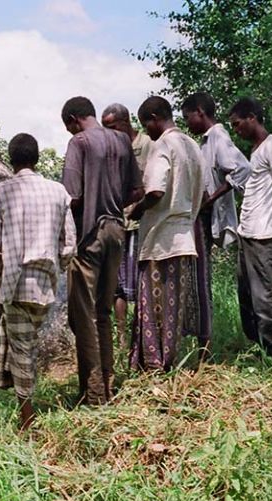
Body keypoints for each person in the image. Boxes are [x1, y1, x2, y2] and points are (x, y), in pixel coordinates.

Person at [0, 133, 75, 429]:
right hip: (45, 284)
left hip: (15, 283)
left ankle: (27, 418)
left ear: (11, 160)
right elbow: (69, 244)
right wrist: (58, 267)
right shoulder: (58, 191)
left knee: (22, 348)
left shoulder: (0, 192)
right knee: (25, 342)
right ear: (36, 158)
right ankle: (21, 396)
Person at [61, 96, 143, 405]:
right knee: (103, 312)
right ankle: (108, 384)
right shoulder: (122, 140)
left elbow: (73, 196)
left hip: (90, 235)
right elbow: (137, 190)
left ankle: (93, 394)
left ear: (73, 120)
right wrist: (113, 201)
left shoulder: (79, 143)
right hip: (117, 231)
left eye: (69, 127)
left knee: (83, 315)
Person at [129, 96, 208, 371]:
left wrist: (137, 210)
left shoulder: (162, 145)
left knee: (154, 307)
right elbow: (202, 193)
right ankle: (169, 361)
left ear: (154, 118)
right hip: (185, 239)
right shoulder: (192, 145)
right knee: (173, 309)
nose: (146, 131)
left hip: (160, 240)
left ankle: (154, 366)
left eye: (145, 125)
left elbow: (155, 190)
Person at [181, 92, 252, 359]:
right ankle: (202, 346)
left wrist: (211, 198)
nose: (187, 123)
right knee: (196, 277)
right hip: (200, 215)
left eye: (188, 117)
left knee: (201, 279)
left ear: (200, 112)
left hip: (207, 216)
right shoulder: (205, 141)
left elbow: (242, 169)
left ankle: (205, 349)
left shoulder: (218, 137)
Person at [228, 98, 272, 364]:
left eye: (238, 124)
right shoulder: (256, 151)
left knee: (267, 295)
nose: (236, 130)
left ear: (252, 117)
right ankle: (260, 349)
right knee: (248, 296)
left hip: (264, 234)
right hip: (247, 233)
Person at [101, 103, 154, 347]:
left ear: (125, 122)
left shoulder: (148, 145)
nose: (109, 132)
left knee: (141, 282)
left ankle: (142, 335)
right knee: (117, 284)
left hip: (142, 223)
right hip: (117, 223)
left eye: (113, 127)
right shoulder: (109, 149)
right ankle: (122, 336)